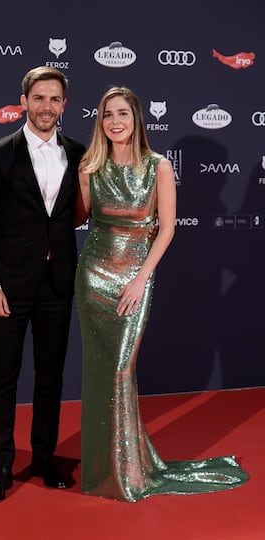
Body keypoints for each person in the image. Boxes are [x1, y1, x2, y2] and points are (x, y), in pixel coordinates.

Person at [74, 86, 249, 502]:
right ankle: (105, 470)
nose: (115, 121)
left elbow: (167, 229)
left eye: (123, 113)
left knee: (120, 369)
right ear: (100, 121)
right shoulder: (90, 167)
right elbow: (76, 218)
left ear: (137, 119)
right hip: (93, 275)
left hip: (136, 276)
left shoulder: (158, 167)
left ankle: (126, 471)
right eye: (107, 114)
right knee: (99, 373)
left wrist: (140, 278)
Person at [0, 66, 86, 502]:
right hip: (10, 288)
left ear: (64, 106)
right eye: (39, 98)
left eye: (55, 99)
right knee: (4, 379)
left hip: (57, 285)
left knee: (51, 378)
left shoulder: (78, 152)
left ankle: (43, 458)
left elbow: (86, 209)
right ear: (24, 102)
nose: (46, 107)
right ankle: (1, 466)